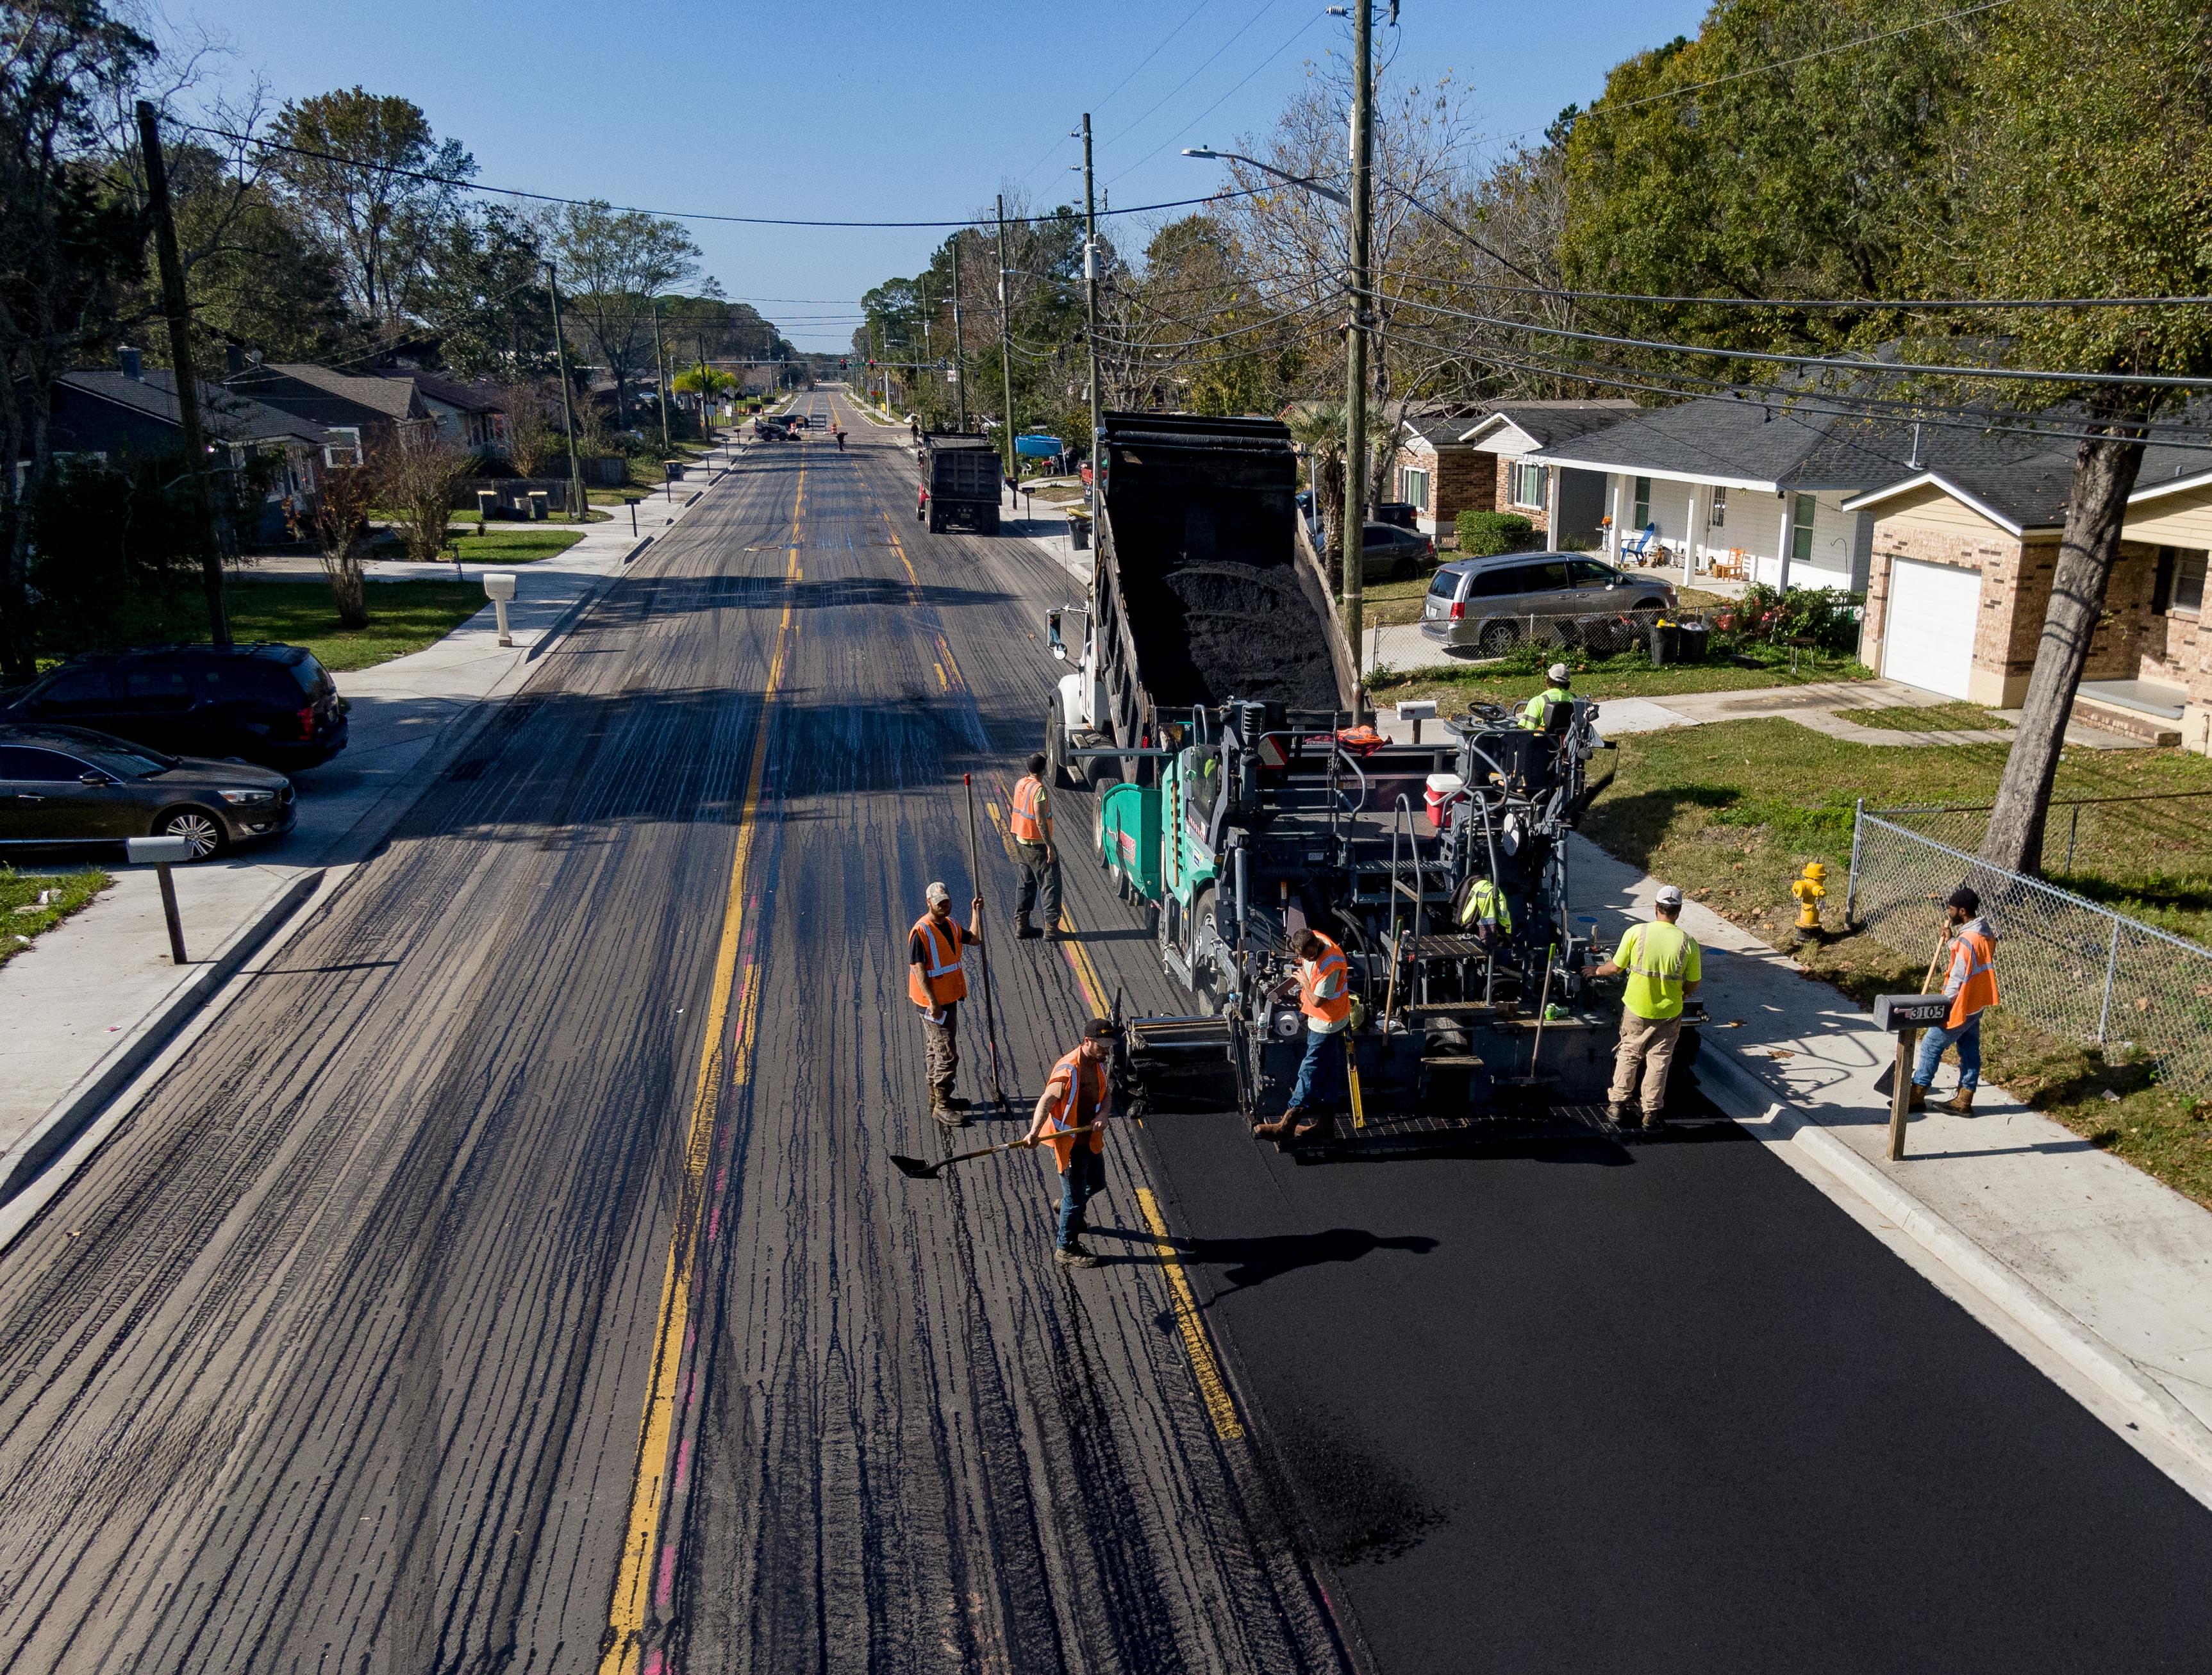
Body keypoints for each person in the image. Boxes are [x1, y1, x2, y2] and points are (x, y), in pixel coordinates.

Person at [1584, 883, 1702, 1131]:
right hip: (1669, 1013)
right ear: (1678, 911)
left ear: (1656, 907)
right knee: (1659, 1062)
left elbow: (1615, 967)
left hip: (1637, 1009)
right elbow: (1693, 983)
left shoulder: (1637, 933)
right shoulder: (1688, 943)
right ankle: (1650, 1112)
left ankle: (1617, 1105)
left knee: (1629, 1053)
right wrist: (1679, 995)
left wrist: (1595, 970)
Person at [1024, 1018, 1118, 1269]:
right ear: (1087, 1042)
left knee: (1097, 1183)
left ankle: (1066, 1205)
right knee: (1075, 1198)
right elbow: (1045, 1101)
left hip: (1091, 1139)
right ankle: (1065, 1247)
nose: (1107, 1051)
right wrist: (1034, 1132)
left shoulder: (1098, 1062)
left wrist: (1103, 1115)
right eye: (1102, 1046)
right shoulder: (1068, 1070)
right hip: (1071, 1144)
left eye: (1109, 1046)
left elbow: (1106, 1094)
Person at [1254, 926, 1352, 1142]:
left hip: (1327, 1022)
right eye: (1304, 955)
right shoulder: (1313, 938)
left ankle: (1286, 1126)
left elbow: (1318, 1000)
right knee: (1328, 1073)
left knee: (1309, 1071)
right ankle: (1326, 1126)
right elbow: (1308, 970)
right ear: (1296, 949)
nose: (1310, 957)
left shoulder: (1330, 964)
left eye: (1312, 954)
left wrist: (1304, 983)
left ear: (1316, 945)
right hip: (1329, 1018)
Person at [1913, 887, 1999, 1114]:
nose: (1948, 912)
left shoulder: (1966, 940)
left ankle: (1917, 1094)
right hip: (1977, 1002)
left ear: (1962, 911)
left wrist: (1944, 1004)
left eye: (1951, 908)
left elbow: (1958, 977)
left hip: (1962, 1003)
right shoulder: (1984, 933)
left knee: (1932, 1044)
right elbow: (1970, 958)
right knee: (1970, 1049)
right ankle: (1964, 1099)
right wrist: (1953, 941)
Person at [909, 881, 985, 1125]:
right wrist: (933, 1002)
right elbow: (919, 970)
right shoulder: (921, 932)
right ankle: (942, 1106)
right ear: (929, 903)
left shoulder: (951, 925)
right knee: (947, 1055)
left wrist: (976, 912)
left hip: (948, 998)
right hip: (934, 1005)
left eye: (947, 901)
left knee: (935, 1049)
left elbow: (974, 940)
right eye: (939, 902)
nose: (944, 905)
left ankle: (937, 1097)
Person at [1008, 753, 1061, 940]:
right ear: (1044, 769)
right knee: (1051, 883)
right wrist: (1049, 846)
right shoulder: (1039, 789)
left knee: (1026, 884)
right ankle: (1052, 928)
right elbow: (1040, 821)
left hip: (1022, 842)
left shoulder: (1021, 784)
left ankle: (1022, 926)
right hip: (1037, 845)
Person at [1519, 662, 1574, 729]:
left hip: (1544, 739)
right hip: (1571, 739)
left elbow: (1527, 732)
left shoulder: (1537, 702)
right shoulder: (1577, 700)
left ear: (1548, 679)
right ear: (1568, 682)